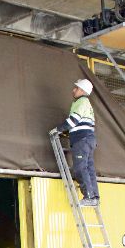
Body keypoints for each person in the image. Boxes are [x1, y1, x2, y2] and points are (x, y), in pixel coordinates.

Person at [55, 79, 99, 207]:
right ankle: (95, 197)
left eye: (76, 88)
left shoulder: (81, 102)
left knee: (79, 168)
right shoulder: (88, 104)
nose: (73, 90)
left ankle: (89, 197)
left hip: (82, 141)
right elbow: (84, 124)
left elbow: (73, 120)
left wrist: (58, 130)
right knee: (89, 169)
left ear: (82, 90)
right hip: (89, 139)